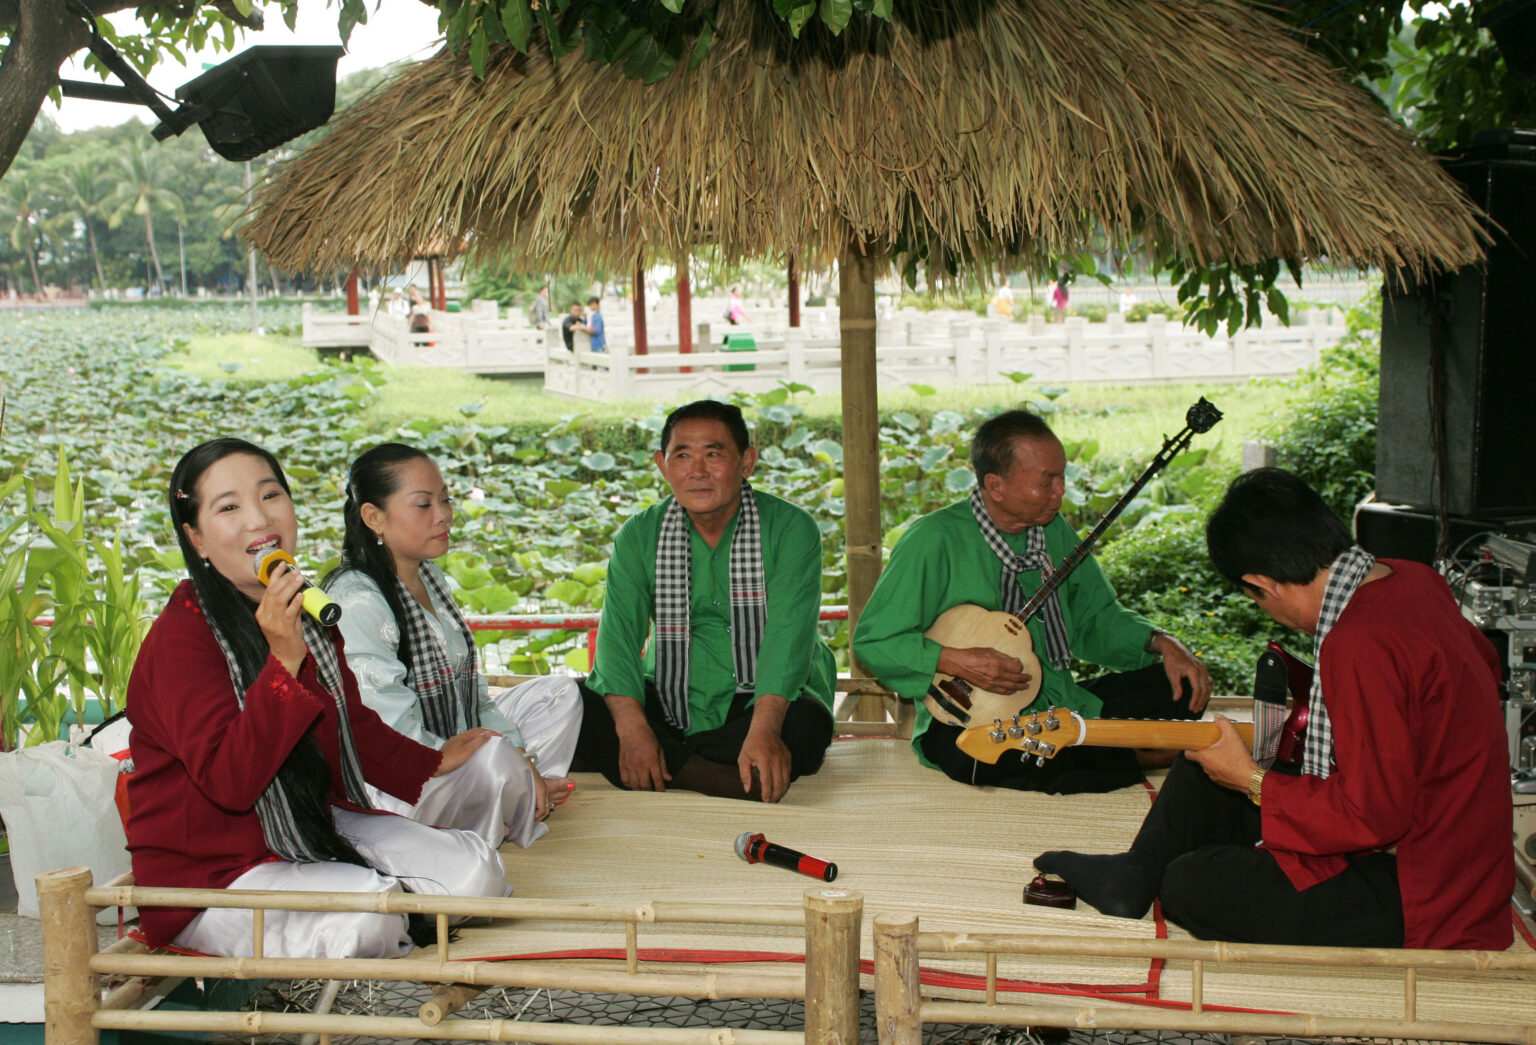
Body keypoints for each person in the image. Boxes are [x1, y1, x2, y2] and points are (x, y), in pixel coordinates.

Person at [1035, 469, 1513, 949]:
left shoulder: (1359, 642)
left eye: (1255, 598)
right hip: (1449, 840)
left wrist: (1252, 780)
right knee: (1204, 761)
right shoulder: (1413, 578)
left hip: (1425, 888)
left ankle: (1162, 873)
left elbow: (1373, 817)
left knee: (1191, 884)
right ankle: (1133, 875)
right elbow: (1478, 671)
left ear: (1263, 584)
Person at [125, 439, 509, 959]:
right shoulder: (180, 641)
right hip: (214, 871)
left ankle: (381, 905)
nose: (259, 519)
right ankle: (382, 914)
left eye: (270, 495)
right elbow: (230, 784)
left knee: (475, 872)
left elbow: (352, 724)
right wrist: (282, 664)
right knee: (366, 917)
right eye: (229, 507)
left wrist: (435, 760)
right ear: (196, 539)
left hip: (310, 822)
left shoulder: (308, 611)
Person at [854, 409, 1211, 794]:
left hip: (1058, 701)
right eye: (1047, 481)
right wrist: (957, 661)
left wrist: (1162, 642)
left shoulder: (1054, 533)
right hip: (975, 717)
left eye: (1062, 477)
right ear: (996, 485)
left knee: (1181, 685)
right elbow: (876, 642)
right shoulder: (933, 540)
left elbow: (1095, 618)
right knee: (981, 756)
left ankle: (1106, 747)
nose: (1061, 491)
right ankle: (1139, 753)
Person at [326, 443, 585, 851]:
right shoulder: (359, 600)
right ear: (374, 517)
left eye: (445, 499)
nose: (444, 514)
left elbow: (473, 692)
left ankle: (521, 793)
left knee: (560, 695)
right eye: (423, 504)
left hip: (457, 739)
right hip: (405, 782)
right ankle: (511, 801)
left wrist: (520, 755)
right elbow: (392, 735)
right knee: (496, 756)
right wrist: (493, 757)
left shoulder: (430, 577)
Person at [573, 400, 836, 802]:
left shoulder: (791, 528)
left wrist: (764, 730)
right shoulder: (640, 535)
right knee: (576, 706)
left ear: (746, 461)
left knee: (806, 726)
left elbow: (788, 638)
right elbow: (618, 638)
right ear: (662, 464)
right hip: (672, 690)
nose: (697, 472)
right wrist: (633, 729)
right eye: (682, 456)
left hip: (765, 696)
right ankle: (722, 778)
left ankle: (671, 766)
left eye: (713, 454)